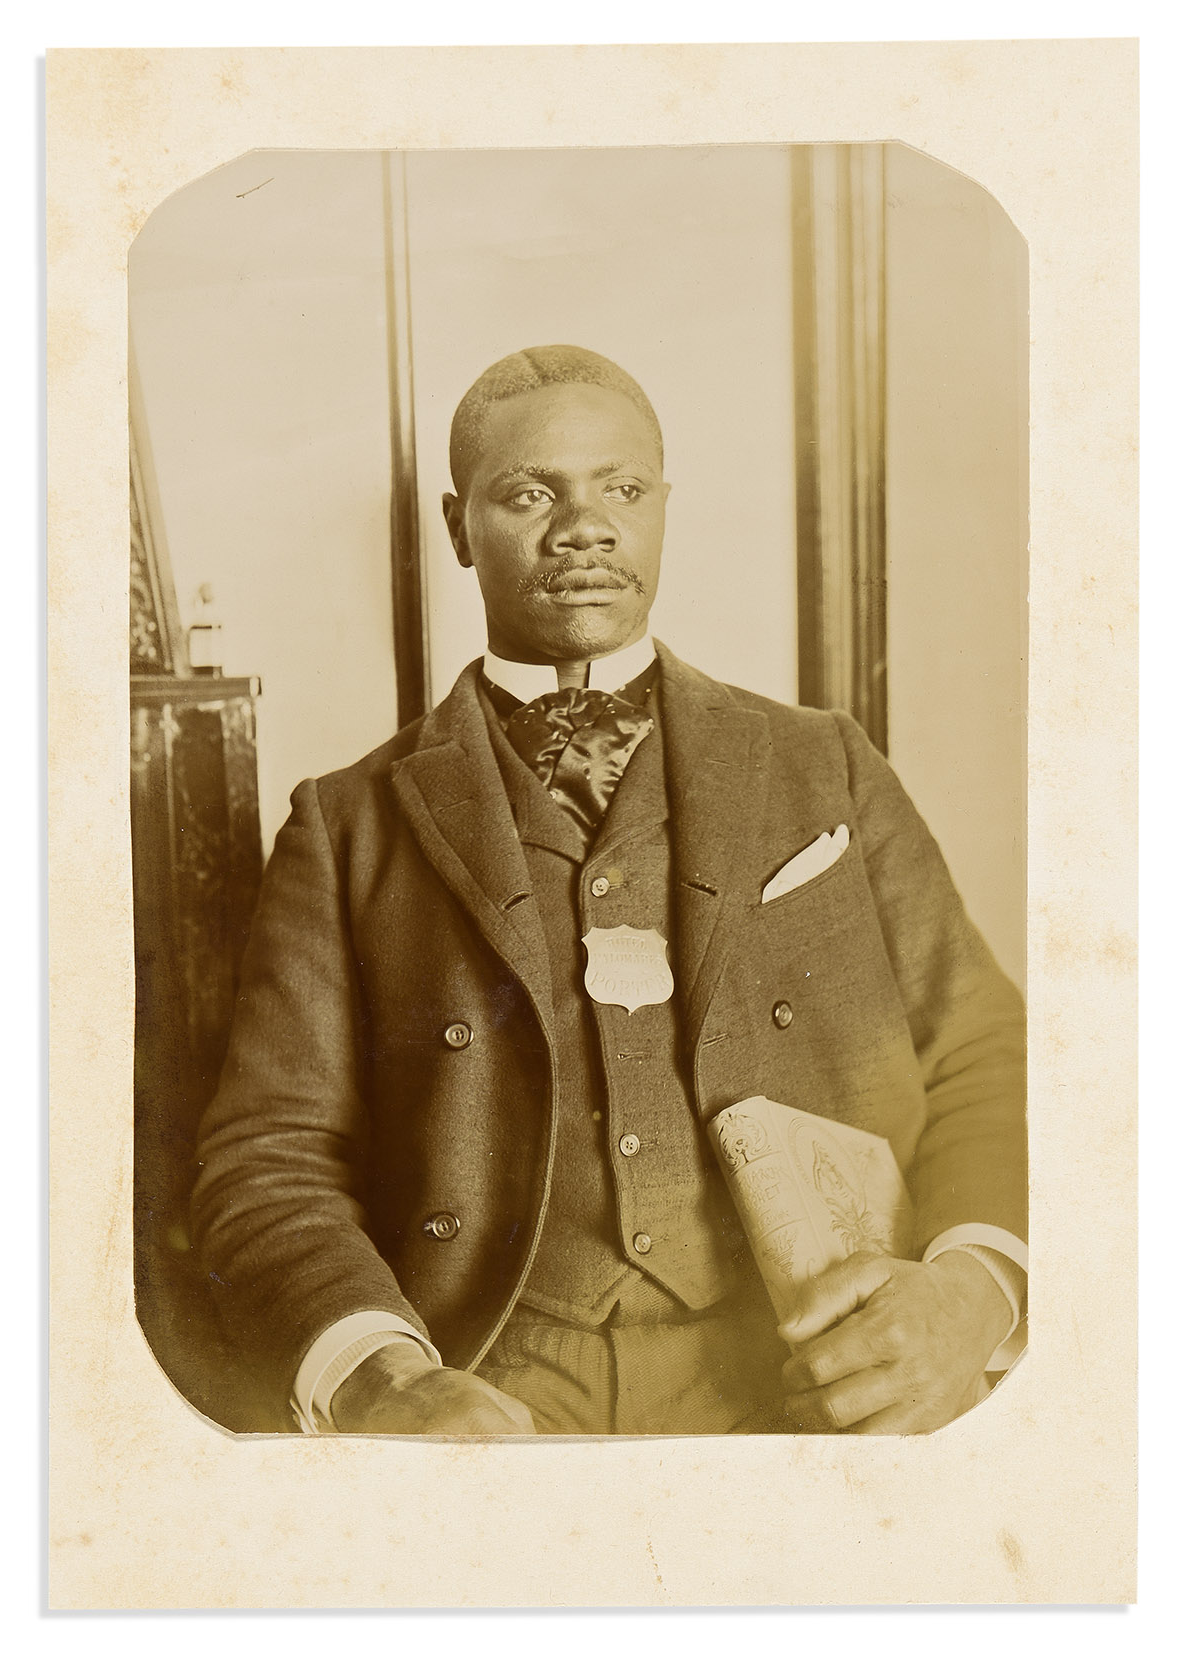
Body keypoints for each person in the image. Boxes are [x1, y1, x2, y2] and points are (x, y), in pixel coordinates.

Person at [192, 344, 1027, 1437]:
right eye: (530, 492)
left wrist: (972, 1291)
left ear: (663, 510)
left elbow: (984, 1059)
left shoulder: (827, 764)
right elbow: (267, 1160)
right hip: (488, 1401)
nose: (583, 526)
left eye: (621, 489)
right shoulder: (345, 825)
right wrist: (381, 1374)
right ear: (458, 527)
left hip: (816, 1387)